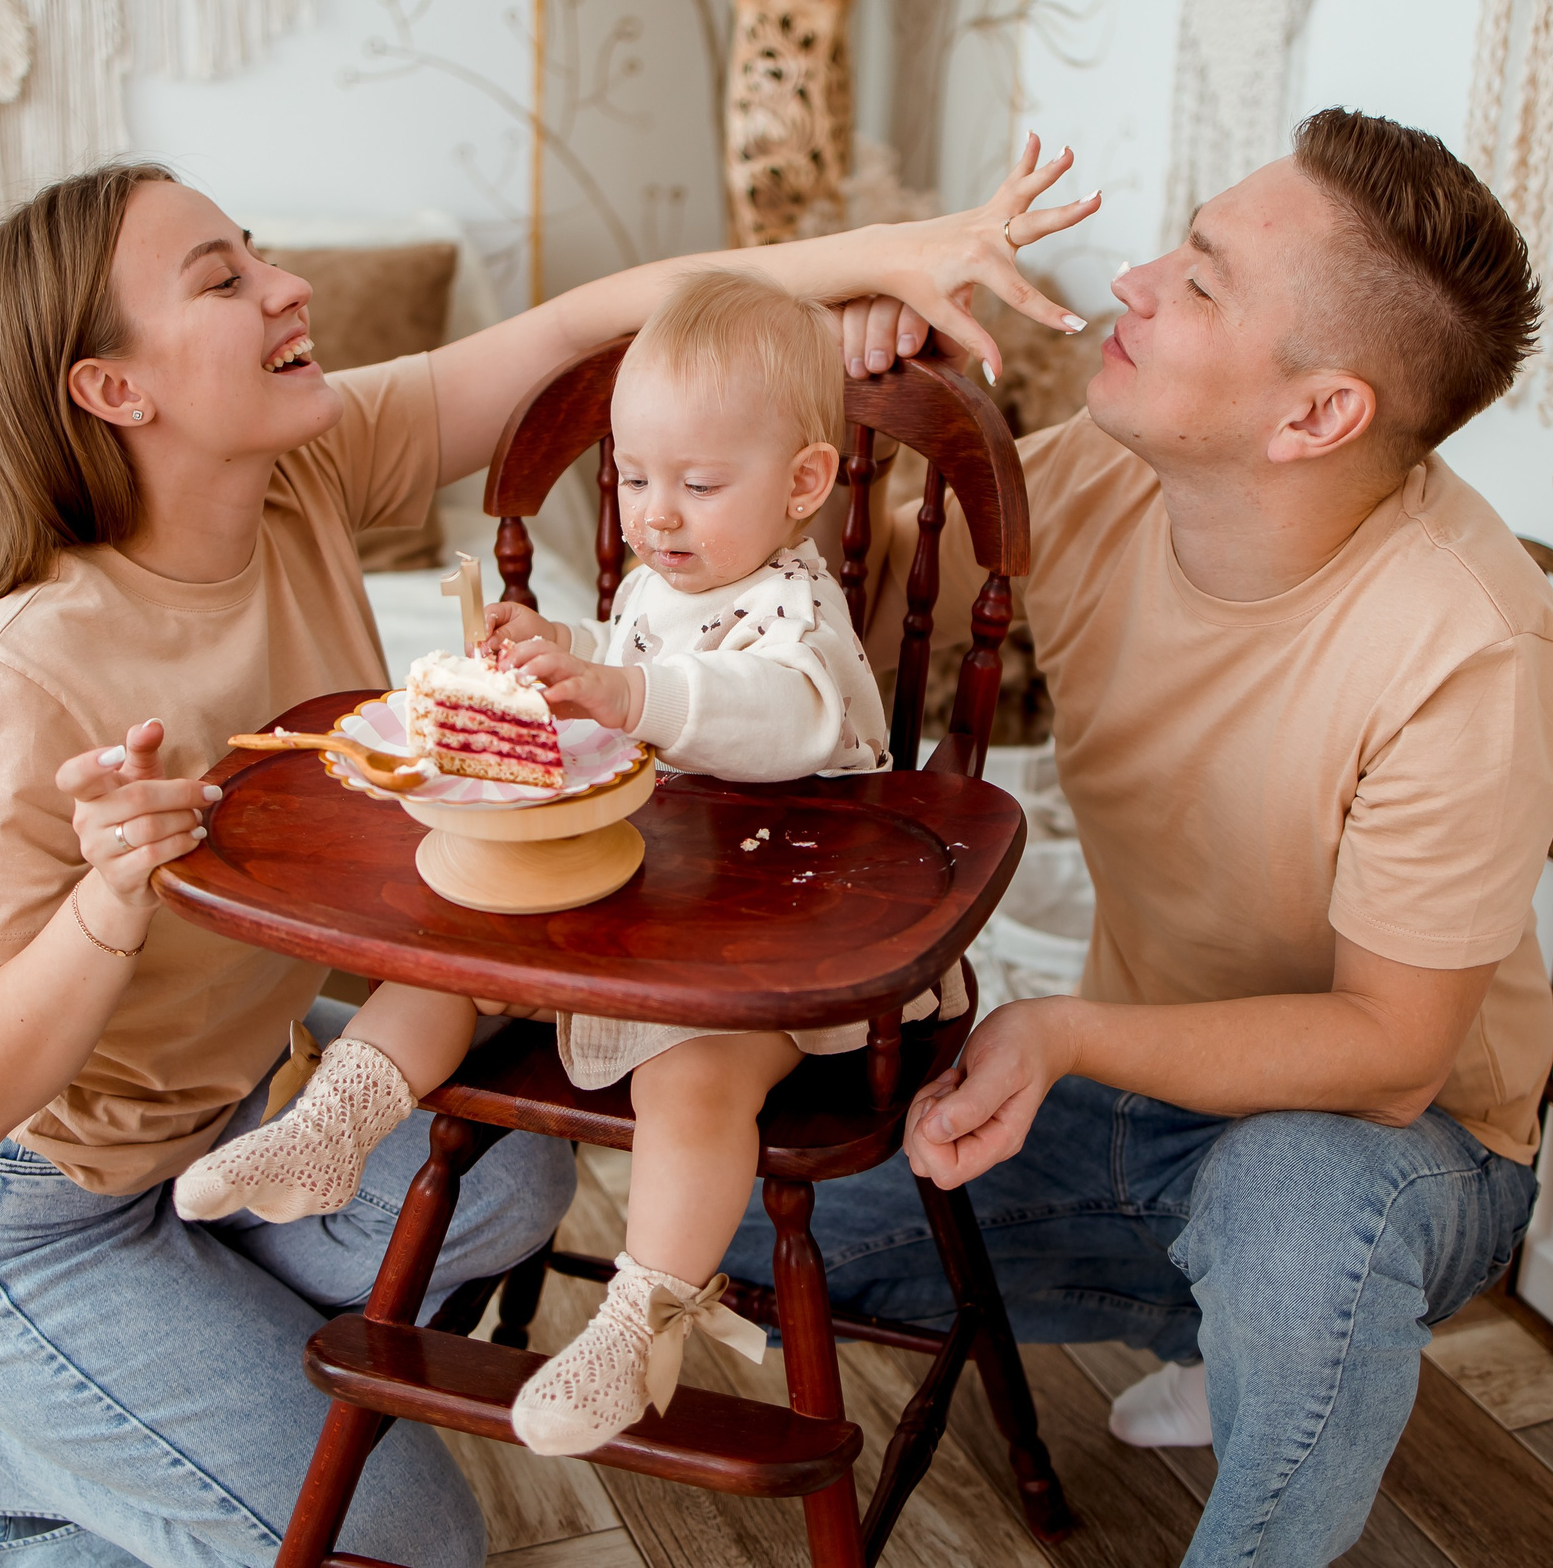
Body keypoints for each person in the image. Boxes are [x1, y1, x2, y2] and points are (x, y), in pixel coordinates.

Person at [0, 150, 1099, 1568]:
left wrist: (880, 261)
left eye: (258, 250)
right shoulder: (24, 677)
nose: (287, 284)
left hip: (231, 1097)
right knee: (402, 1543)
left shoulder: (298, 468)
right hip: (27, 1203)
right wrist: (105, 900)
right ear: (113, 389)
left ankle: (104, 1381)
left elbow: (580, 331)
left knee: (511, 1178)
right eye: (224, 278)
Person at [728, 107, 1553, 1567]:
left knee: (1298, 1206)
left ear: (1314, 415)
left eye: (1199, 279)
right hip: (1145, 1089)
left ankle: (1273, 1307)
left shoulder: (1475, 650)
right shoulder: (1110, 475)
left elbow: (1390, 1048)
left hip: (1399, 1140)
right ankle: (1227, 1309)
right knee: (754, 1235)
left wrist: (1057, 1031)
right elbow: (834, 663)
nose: (1133, 279)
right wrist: (850, 392)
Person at [171, 268, 966, 1460]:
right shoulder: (662, 578)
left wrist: (627, 689)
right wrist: (567, 648)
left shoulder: (799, 616)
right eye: (632, 477)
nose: (655, 515)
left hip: (774, 954)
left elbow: (771, 715)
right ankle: (334, 1122)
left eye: (698, 486)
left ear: (806, 484)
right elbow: (635, 650)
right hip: (640, 910)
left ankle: (639, 1317)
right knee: (441, 964)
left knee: (691, 1090)